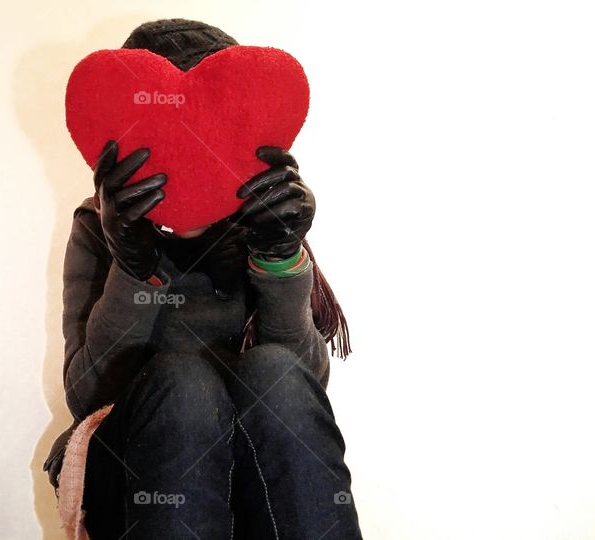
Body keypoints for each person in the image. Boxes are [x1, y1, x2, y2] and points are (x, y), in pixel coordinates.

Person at [44, 18, 362, 539]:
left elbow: (306, 387)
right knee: (185, 382)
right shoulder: (99, 228)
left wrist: (279, 257)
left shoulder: (262, 222)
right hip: (134, 466)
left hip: (254, 464)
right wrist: (132, 268)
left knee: (277, 372)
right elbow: (87, 394)